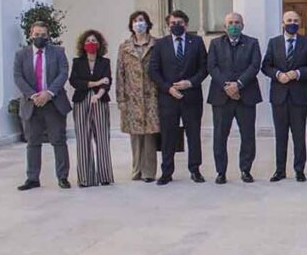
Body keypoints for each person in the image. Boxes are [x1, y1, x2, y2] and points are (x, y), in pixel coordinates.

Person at [148, 10, 208, 185]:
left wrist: (190, 82)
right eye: (173, 23)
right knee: (168, 136)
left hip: (192, 96)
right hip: (168, 97)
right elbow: (153, 70)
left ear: (186, 25)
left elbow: (204, 68)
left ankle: (195, 170)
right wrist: (168, 88)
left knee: (194, 135)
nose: (176, 26)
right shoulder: (160, 44)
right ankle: (166, 171)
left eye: (180, 22)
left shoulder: (196, 42)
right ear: (168, 25)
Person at [14, 22, 72, 191]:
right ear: (31, 35)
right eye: (37, 34)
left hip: (54, 103)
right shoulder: (21, 55)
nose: (40, 37)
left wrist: (48, 93)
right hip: (32, 104)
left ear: (48, 36)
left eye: (43, 35)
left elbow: (63, 73)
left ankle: (62, 177)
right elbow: (18, 77)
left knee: (58, 141)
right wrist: (34, 95)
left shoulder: (58, 53)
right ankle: (32, 178)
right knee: (32, 142)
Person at [262, 10, 307, 182]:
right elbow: (266, 66)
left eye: (295, 20)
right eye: (289, 20)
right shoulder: (274, 43)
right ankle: (280, 170)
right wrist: (278, 74)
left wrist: (298, 73)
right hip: (279, 96)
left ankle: (299, 169)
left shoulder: (306, 43)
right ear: (283, 23)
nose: (292, 23)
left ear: (299, 23)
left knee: (299, 135)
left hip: (299, 96)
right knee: (281, 135)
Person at [207, 12, 263, 184]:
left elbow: (254, 66)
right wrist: (227, 86)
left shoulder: (252, 43)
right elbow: (212, 66)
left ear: (243, 25)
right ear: (224, 27)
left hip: (246, 95)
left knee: (247, 135)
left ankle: (245, 170)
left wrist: (238, 84)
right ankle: (221, 172)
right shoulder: (215, 44)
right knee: (220, 136)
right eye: (230, 23)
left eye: (237, 22)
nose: (234, 25)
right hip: (221, 97)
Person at [116, 11, 160, 183]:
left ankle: (149, 172)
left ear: (147, 23)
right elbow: (120, 73)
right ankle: (136, 170)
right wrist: (120, 99)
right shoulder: (125, 47)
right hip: (132, 97)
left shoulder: (156, 44)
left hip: (151, 96)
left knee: (150, 134)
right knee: (135, 135)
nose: (138, 23)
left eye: (141, 20)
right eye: (135, 21)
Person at [69, 29, 114, 187]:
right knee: (83, 138)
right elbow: (74, 81)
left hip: (100, 100)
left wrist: (99, 93)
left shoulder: (105, 62)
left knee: (102, 138)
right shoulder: (77, 62)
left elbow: (108, 81)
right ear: (83, 44)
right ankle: (85, 178)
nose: (91, 43)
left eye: (94, 40)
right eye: (88, 41)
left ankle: (105, 176)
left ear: (100, 44)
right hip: (81, 101)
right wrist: (95, 83)